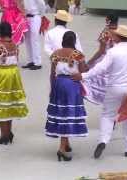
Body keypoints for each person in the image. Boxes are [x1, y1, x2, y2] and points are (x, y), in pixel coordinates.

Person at [72, 25, 127, 158]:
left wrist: (83, 75)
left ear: (118, 37)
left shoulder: (113, 52)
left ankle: (103, 140)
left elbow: (100, 69)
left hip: (114, 88)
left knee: (108, 115)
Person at [45, 31, 88, 162]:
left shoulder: (55, 54)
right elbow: (82, 72)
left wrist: (52, 88)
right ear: (74, 41)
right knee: (68, 114)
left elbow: (52, 73)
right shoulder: (78, 55)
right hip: (72, 85)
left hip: (58, 83)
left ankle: (66, 144)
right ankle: (61, 149)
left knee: (61, 113)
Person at [82, 13, 119, 105]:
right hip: (118, 60)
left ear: (108, 21)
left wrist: (90, 62)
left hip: (105, 59)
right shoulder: (121, 31)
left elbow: (101, 51)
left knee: (90, 79)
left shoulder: (105, 32)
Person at [21, 0, 46, 70]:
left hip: (35, 16)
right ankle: (30, 60)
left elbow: (42, 4)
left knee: (35, 39)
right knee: (27, 39)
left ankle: (38, 62)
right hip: (26, 17)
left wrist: (42, 15)